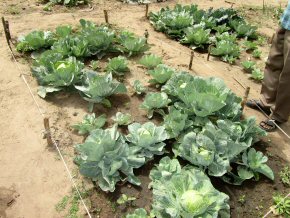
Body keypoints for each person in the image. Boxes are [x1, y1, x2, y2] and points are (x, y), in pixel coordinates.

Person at [246, 2, 290, 132]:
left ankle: (279, 114)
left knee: (288, 74)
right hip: (287, 20)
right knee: (274, 61)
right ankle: (266, 102)